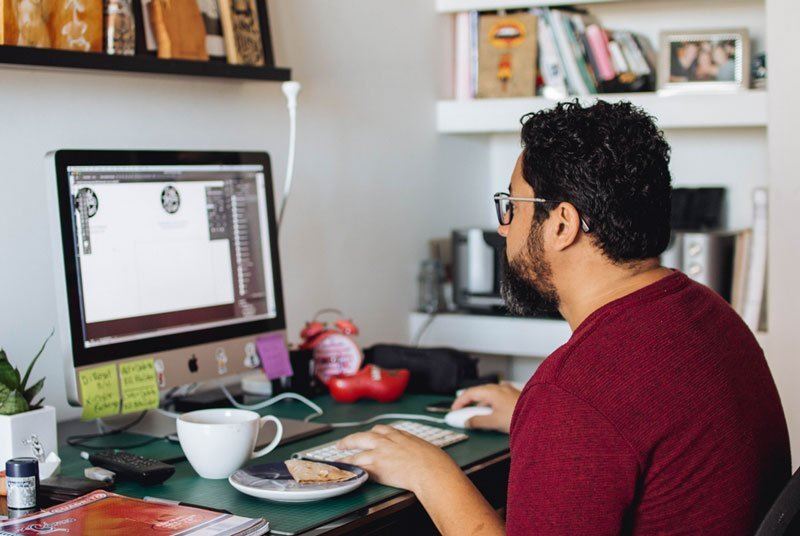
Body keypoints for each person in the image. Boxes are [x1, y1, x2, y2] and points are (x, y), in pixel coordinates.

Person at [338, 100, 790, 535]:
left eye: (510, 206)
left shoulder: (575, 396)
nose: (502, 228)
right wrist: (538, 422)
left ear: (561, 224)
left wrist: (430, 474)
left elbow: (601, 411)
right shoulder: (709, 313)